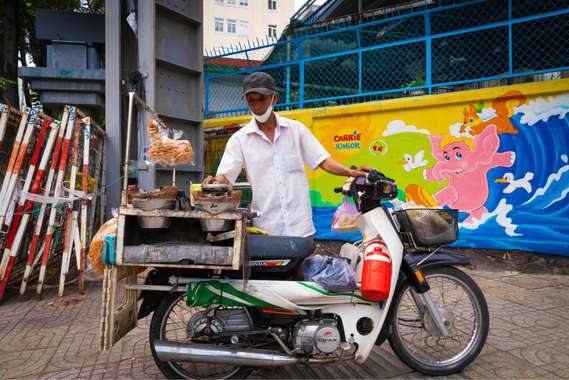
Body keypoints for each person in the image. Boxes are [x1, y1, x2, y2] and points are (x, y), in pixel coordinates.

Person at [203, 72, 368, 237]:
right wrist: (214, 183)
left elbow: (323, 161)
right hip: (267, 229)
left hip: (301, 227)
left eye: (261, 99)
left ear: (274, 98)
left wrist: (350, 172)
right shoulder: (239, 139)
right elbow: (225, 177)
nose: (256, 106)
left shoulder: (296, 130)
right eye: (251, 100)